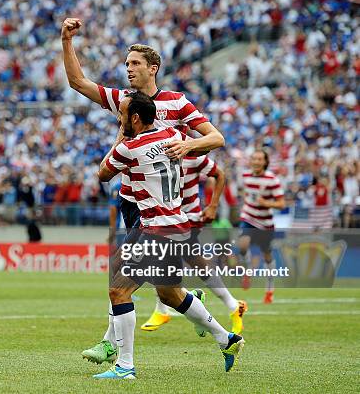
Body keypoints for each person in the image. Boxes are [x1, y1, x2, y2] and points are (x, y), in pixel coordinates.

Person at [91, 92, 245, 379]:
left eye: (122, 114)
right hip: (180, 225)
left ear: (135, 118)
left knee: (118, 290)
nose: (119, 118)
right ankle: (226, 339)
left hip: (157, 230)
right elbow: (205, 145)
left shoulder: (130, 147)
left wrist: (119, 138)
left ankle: (125, 366)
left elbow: (102, 174)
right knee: (170, 294)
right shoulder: (173, 135)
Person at [141, 153, 248, 335]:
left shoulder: (193, 153)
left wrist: (213, 206)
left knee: (160, 260)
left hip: (188, 218)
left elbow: (219, 174)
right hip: (168, 218)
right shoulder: (155, 151)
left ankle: (164, 309)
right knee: (198, 265)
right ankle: (230, 304)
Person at [237, 149, 285, 303]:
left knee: (267, 256)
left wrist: (266, 203)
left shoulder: (272, 180)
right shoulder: (245, 176)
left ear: (265, 162)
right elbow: (246, 193)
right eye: (254, 159)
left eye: (259, 159)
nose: (256, 161)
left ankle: (269, 289)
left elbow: (281, 204)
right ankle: (248, 270)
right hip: (248, 218)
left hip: (265, 223)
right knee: (243, 245)